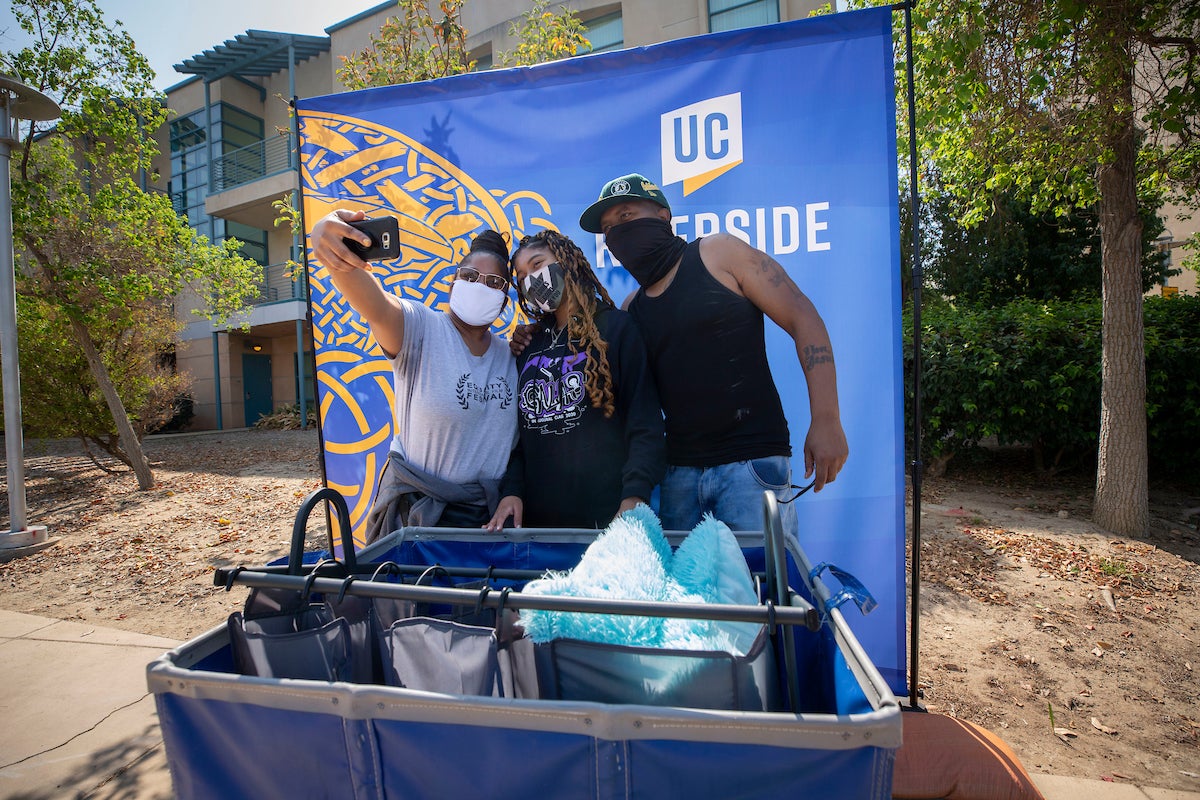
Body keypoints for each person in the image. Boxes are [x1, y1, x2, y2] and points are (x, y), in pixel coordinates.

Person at [576, 172, 849, 535]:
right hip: (678, 481)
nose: (616, 234)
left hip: (751, 466)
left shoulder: (718, 253)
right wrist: (530, 334)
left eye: (625, 216)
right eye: (607, 230)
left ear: (662, 216)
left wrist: (827, 418)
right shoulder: (631, 309)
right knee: (686, 592)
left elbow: (803, 317)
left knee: (765, 588)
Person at [310, 209, 518, 542]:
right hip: (421, 520)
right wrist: (333, 251)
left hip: (490, 523)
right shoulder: (420, 328)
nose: (481, 286)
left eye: (494, 283)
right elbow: (376, 305)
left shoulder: (511, 356)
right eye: (470, 276)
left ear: (504, 299)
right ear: (453, 283)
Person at [485, 229, 665, 530]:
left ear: (568, 262)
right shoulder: (530, 345)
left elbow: (645, 423)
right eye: (522, 275)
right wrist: (512, 491)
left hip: (608, 519)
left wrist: (634, 495)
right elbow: (518, 438)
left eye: (539, 264)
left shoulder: (617, 329)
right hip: (539, 527)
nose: (531, 279)